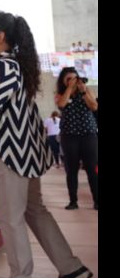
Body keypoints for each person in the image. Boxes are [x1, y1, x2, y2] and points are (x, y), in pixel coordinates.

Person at [0, 10, 93, 278]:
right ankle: (69, 267)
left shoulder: (3, 68)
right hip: (24, 152)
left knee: (11, 217)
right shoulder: (16, 66)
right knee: (34, 211)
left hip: (7, 153)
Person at [55, 67, 98, 210]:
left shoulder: (86, 91)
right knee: (71, 170)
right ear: (63, 81)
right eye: (69, 79)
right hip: (69, 136)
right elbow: (61, 104)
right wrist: (69, 88)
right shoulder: (60, 94)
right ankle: (73, 201)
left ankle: (97, 200)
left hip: (88, 134)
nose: (72, 81)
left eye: (75, 78)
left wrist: (83, 90)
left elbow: (94, 106)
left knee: (92, 169)